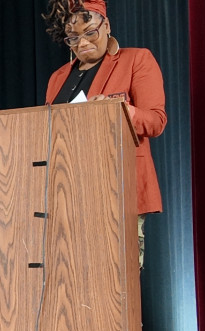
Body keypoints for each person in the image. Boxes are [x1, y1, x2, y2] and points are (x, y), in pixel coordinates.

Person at [43, 0, 167, 265]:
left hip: (117, 191)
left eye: (90, 32)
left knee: (117, 278)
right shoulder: (57, 77)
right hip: (68, 195)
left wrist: (118, 110)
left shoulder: (136, 60)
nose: (82, 43)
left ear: (106, 25)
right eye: (73, 38)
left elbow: (156, 121)